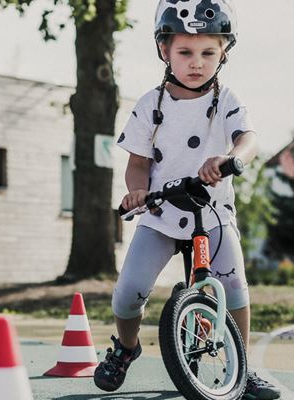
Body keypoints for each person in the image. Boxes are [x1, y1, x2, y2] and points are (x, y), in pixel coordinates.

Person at [93, 1, 280, 399]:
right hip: (162, 212)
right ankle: (126, 348)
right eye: (185, 52)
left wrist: (231, 159)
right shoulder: (150, 105)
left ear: (223, 52)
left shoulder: (226, 99)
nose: (197, 63)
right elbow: (138, 163)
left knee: (233, 289)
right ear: (164, 50)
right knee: (129, 292)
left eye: (208, 52)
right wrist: (137, 190)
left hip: (211, 213)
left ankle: (241, 368)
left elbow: (248, 140)